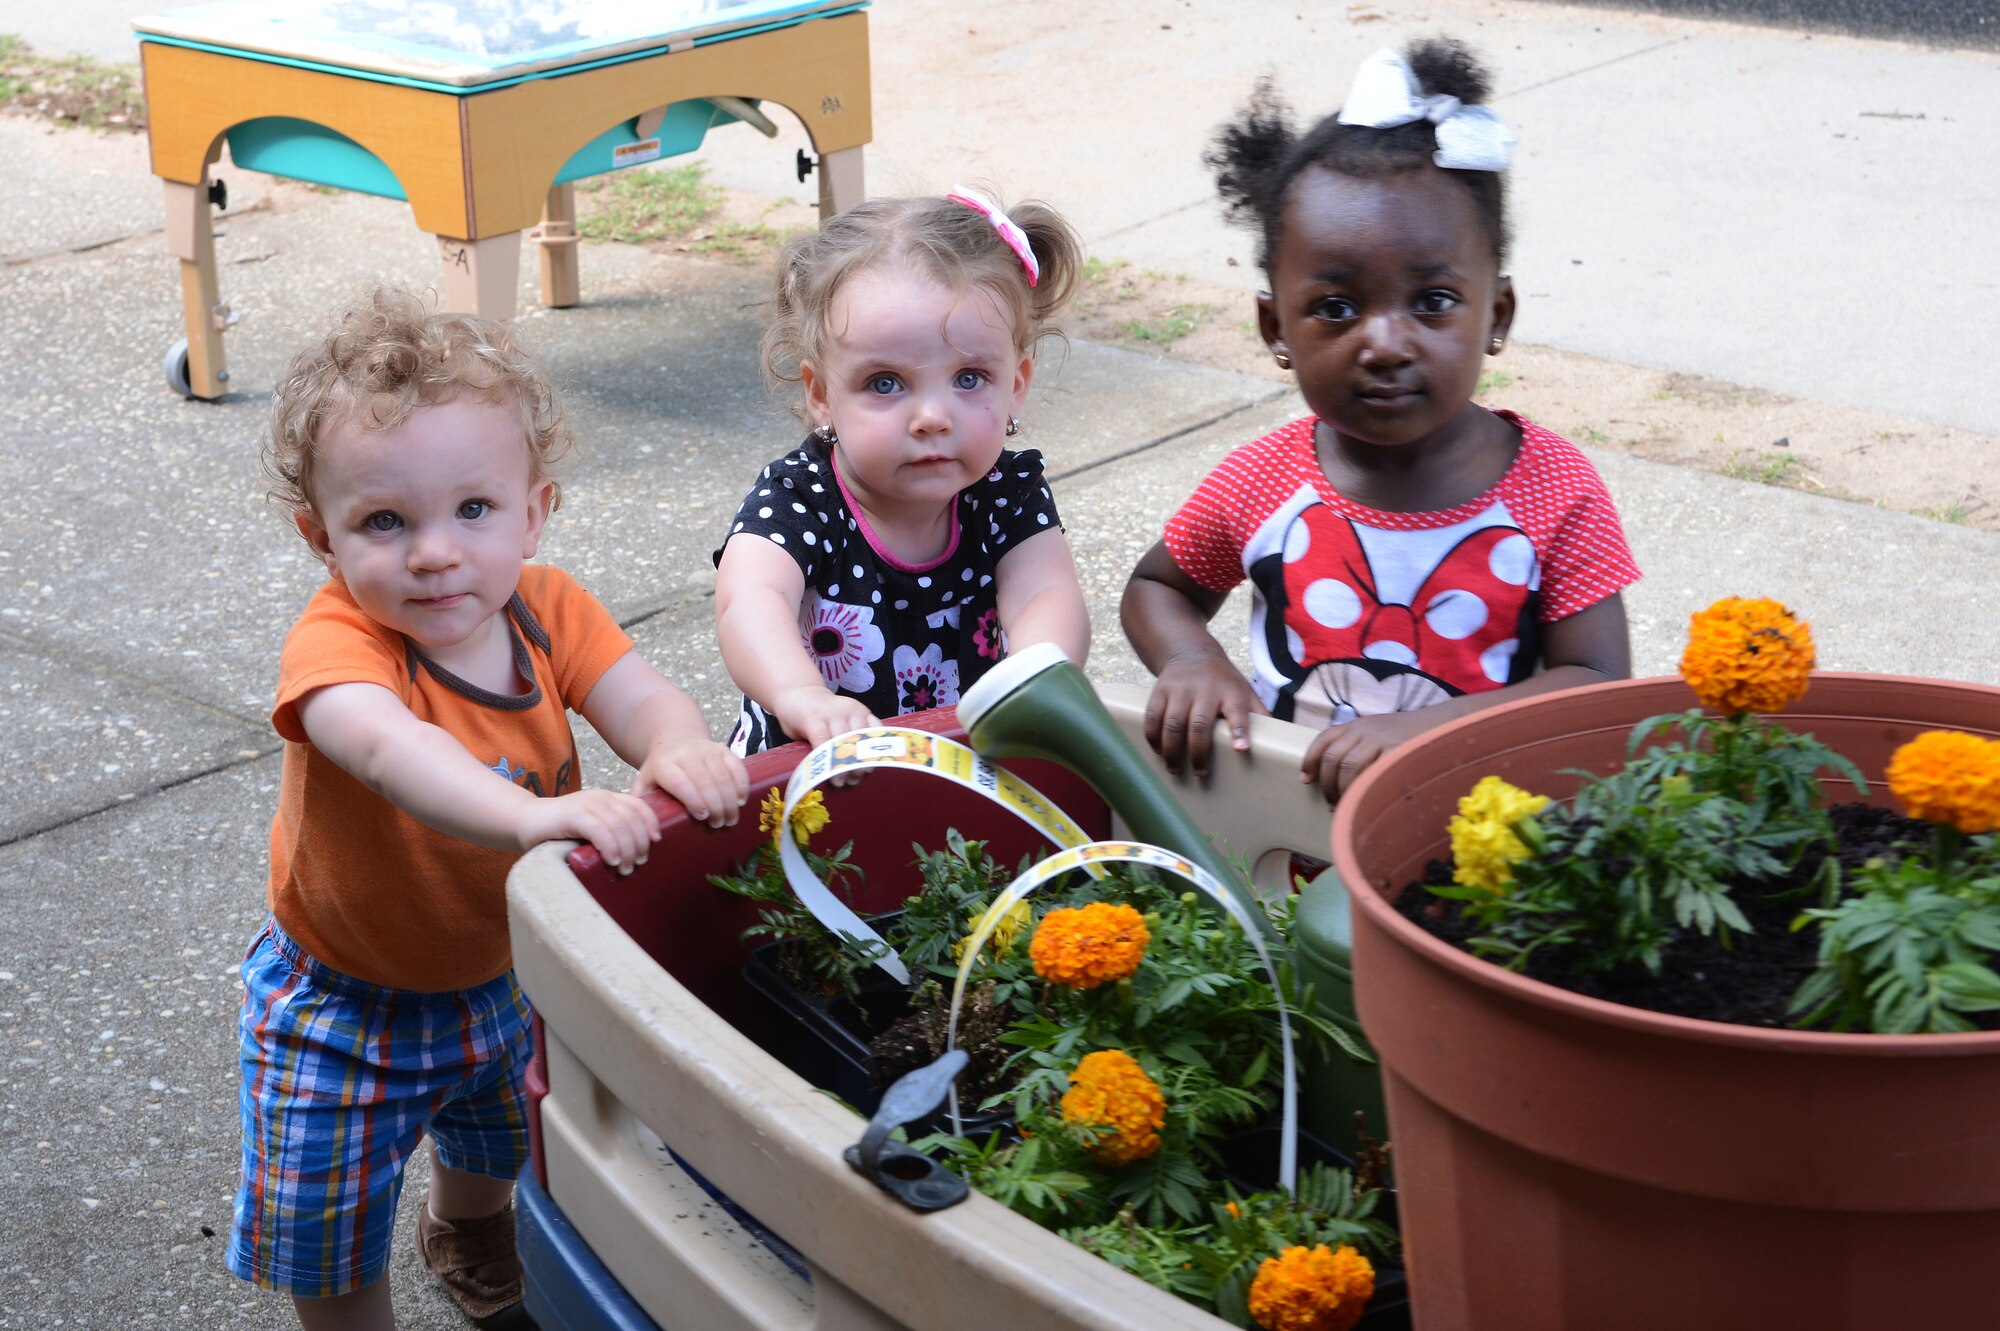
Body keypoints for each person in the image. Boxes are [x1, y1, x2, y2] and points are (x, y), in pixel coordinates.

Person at [228, 288, 747, 1330]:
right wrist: (526, 821)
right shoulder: (341, 645)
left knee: (504, 1138)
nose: (433, 551)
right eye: (384, 520)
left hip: (504, 968)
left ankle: (465, 1226)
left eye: (473, 509)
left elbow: (635, 689)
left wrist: (678, 744)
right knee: (322, 1218)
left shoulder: (549, 610)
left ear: (532, 510)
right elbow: (387, 748)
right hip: (342, 999)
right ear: (320, 535)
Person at [1123, 39, 1639, 801]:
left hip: (1480, 850)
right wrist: (1193, 661)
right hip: (1285, 835)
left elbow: (1596, 683)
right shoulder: (1263, 481)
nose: (1386, 344)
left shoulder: (1555, 490)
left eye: (1431, 301)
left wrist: (1433, 731)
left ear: (1496, 313)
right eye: (1336, 308)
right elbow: (1155, 588)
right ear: (1276, 331)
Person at [714, 189, 1092, 755]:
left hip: (973, 757)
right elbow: (749, 599)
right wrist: (801, 695)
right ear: (821, 393)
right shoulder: (800, 498)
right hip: (816, 776)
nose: (933, 418)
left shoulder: (1006, 494)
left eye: (969, 378)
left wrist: (1035, 680)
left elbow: (1046, 593)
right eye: (885, 383)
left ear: (1015, 385)